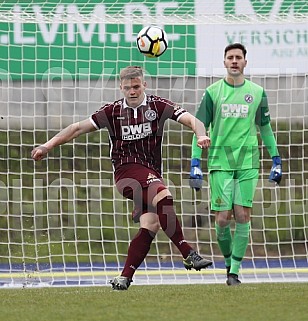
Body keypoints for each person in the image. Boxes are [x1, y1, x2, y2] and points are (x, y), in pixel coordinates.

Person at [32, 65, 212, 290]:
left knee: (152, 224)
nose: (132, 91)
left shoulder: (158, 106)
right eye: (127, 88)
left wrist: (201, 134)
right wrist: (47, 146)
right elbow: (77, 128)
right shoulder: (112, 112)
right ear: (121, 88)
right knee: (165, 198)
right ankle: (188, 252)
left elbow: (192, 120)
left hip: (151, 174)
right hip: (126, 174)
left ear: (144, 85)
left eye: (136, 86)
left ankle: (125, 276)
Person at [189, 43, 282, 286]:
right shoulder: (212, 92)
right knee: (222, 219)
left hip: (248, 161)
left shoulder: (258, 93)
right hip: (220, 161)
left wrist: (276, 159)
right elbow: (199, 127)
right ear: (224, 62)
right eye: (230, 57)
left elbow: (265, 128)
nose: (234, 61)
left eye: (238, 57)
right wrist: (195, 161)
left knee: (242, 215)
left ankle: (234, 273)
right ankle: (229, 261)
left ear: (245, 62)